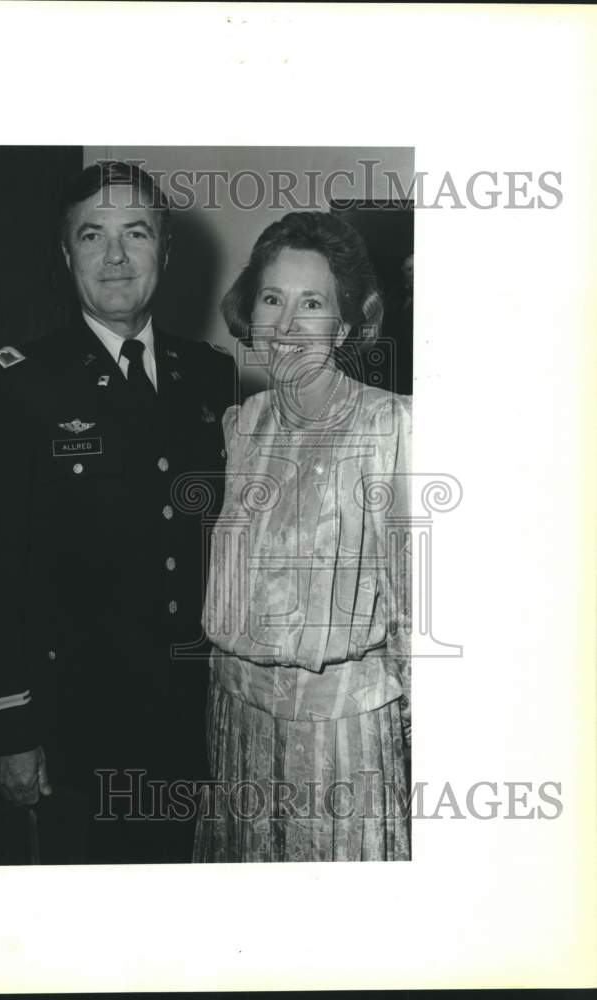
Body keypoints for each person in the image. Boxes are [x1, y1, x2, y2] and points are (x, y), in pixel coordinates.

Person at [0, 161, 237, 864]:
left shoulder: (208, 374)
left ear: (165, 252)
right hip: (74, 728)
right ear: (66, 254)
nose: (115, 256)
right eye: (92, 236)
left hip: (195, 721)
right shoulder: (15, 383)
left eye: (136, 233)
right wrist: (7, 730)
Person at [193, 211, 412, 863]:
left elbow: (418, 607)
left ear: (345, 324)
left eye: (311, 303)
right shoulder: (243, 423)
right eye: (272, 299)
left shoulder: (391, 425)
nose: (286, 326)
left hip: (342, 731)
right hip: (237, 717)